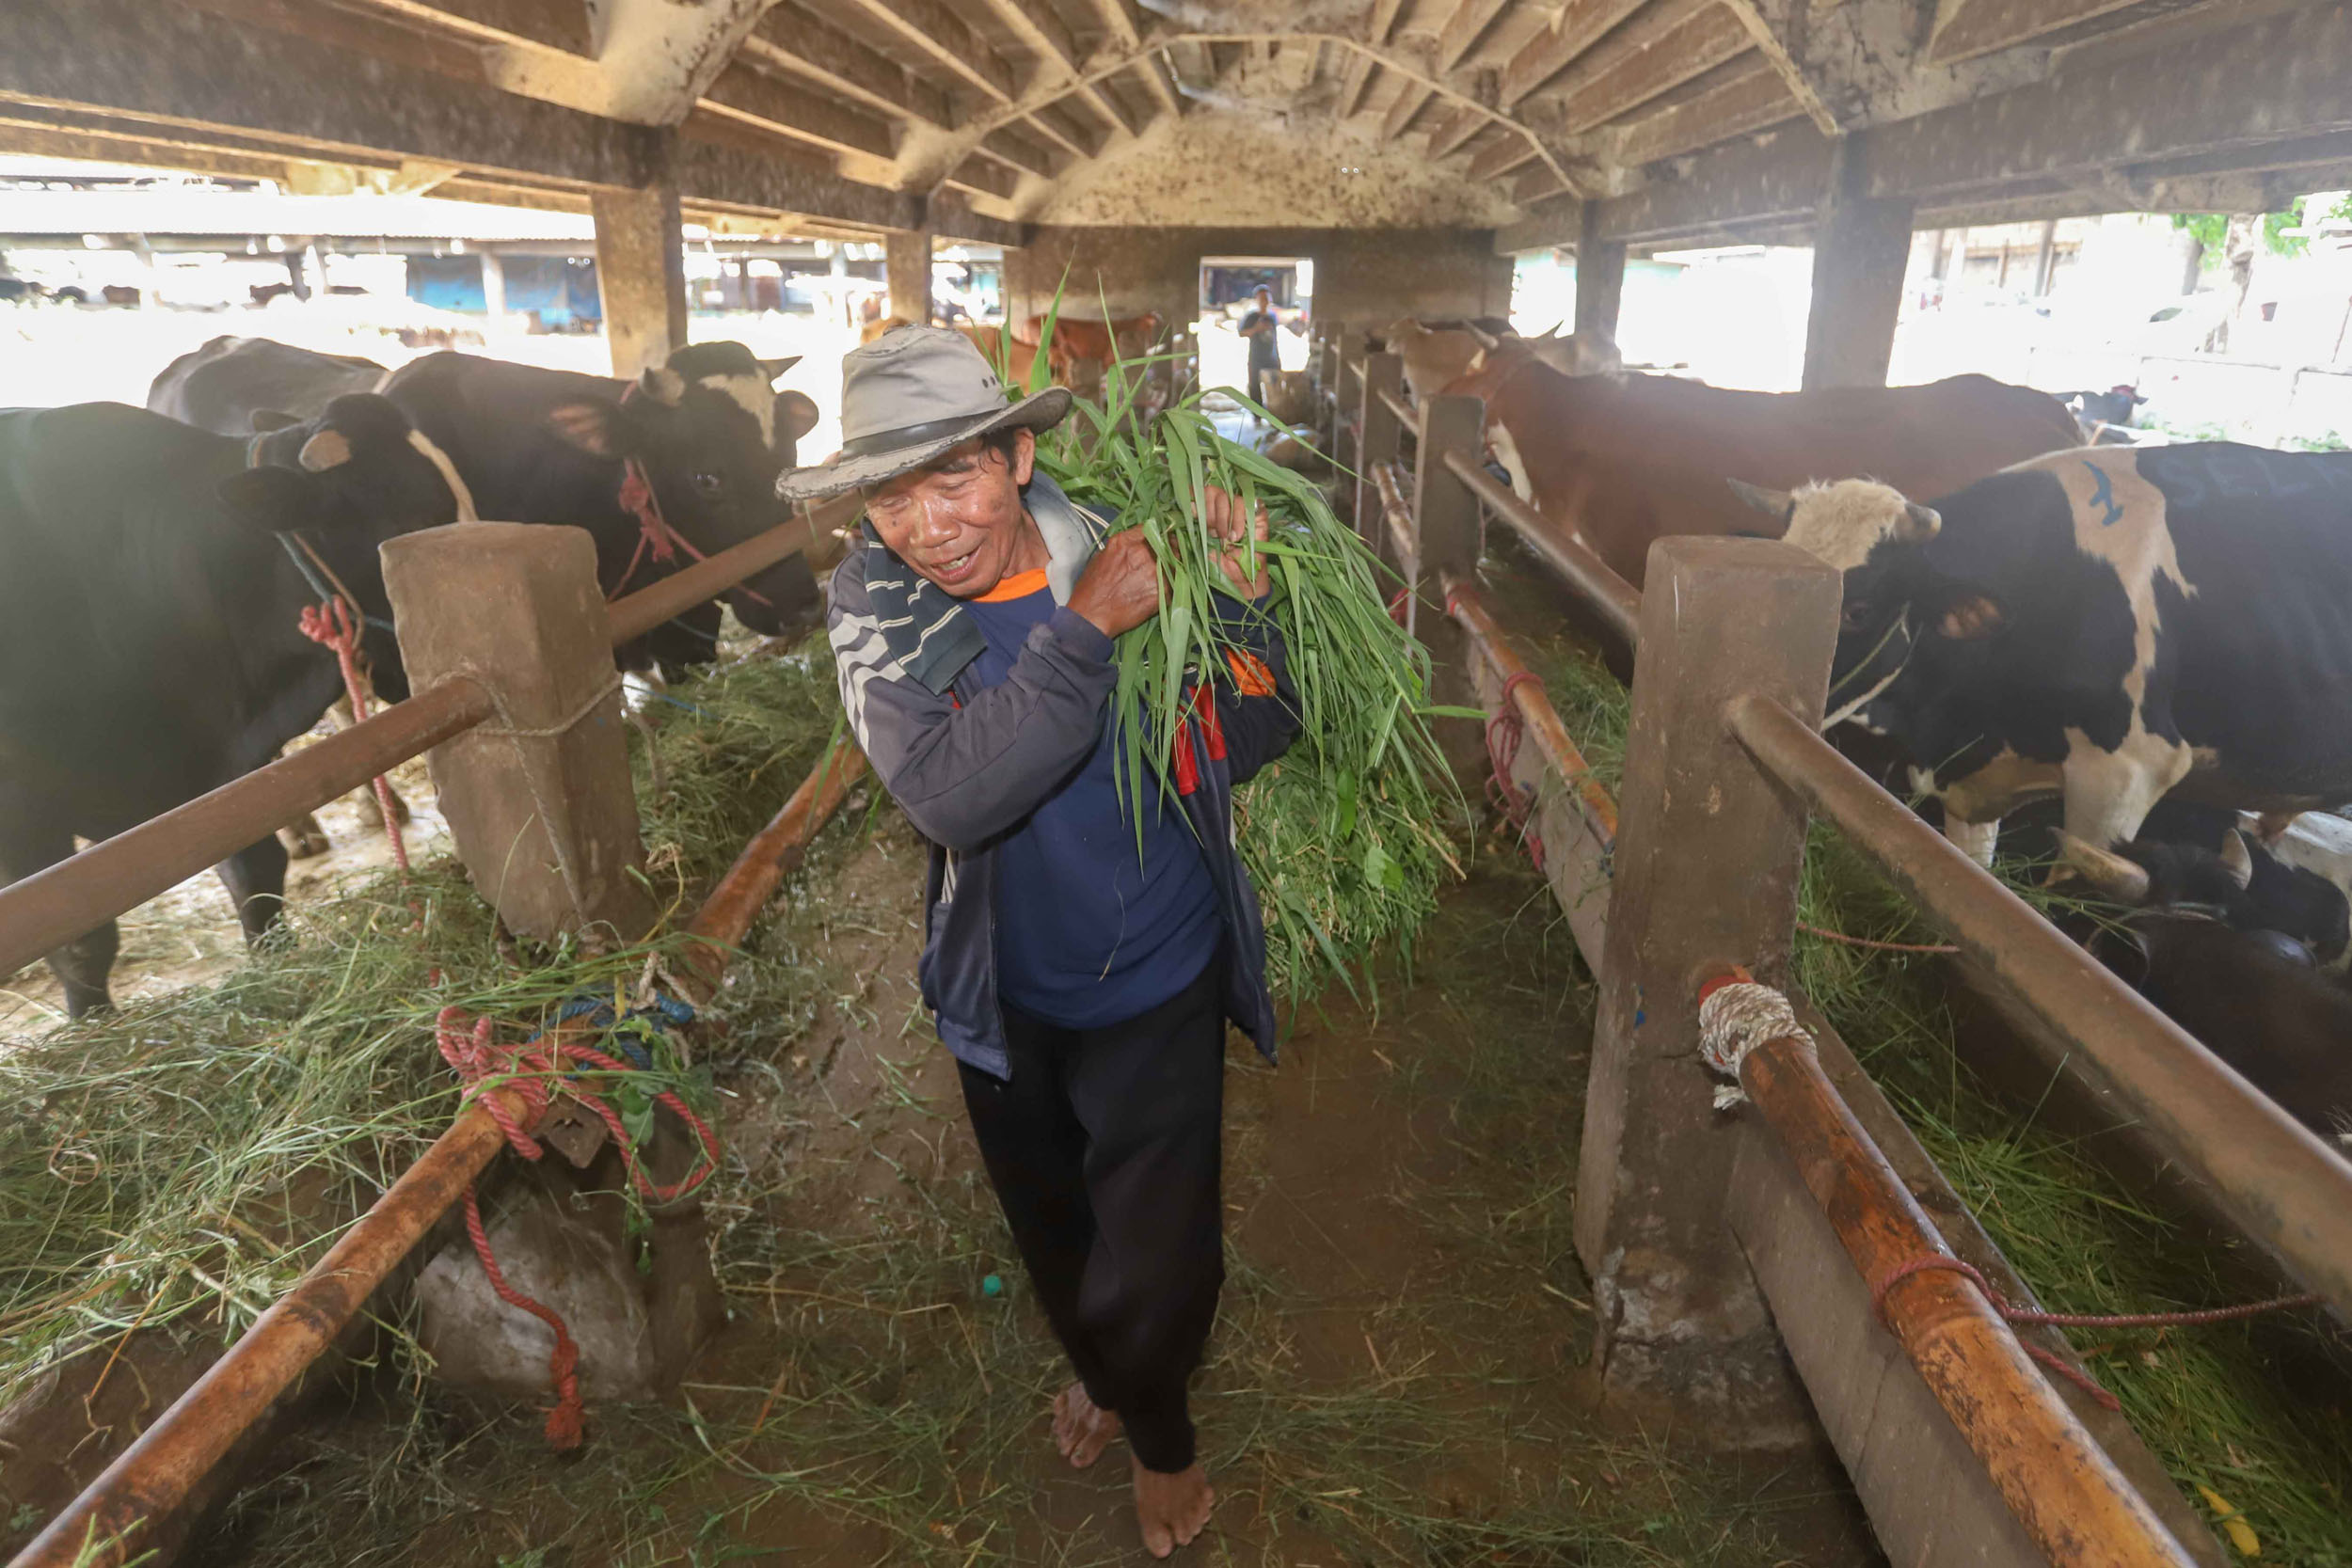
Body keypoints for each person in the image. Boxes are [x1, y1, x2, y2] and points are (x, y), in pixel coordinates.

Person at [783, 325, 1298, 1558]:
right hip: (1004, 989)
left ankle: (1161, 1434)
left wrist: (1249, 601)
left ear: (1019, 456)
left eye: (952, 476)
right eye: (891, 494)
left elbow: (1260, 731)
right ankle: (1107, 1370)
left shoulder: (1138, 546)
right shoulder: (874, 607)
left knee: (1160, 1250)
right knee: (1053, 1226)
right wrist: (1087, 628)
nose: (926, 524)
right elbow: (951, 795)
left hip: (1156, 971)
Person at [1237, 284, 1281, 417]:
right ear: (1257, 299)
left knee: (1274, 385)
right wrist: (1256, 328)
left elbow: (1274, 337)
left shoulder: (1273, 316)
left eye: (1266, 297)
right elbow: (1241, 333)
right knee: (1255, 386)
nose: (1264, 300)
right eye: (1261, 298)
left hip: (1271, 356)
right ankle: (1257, 415)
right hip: (1256, 357)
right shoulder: (1251, 317)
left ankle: (1274, 414)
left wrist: (1278, 357)